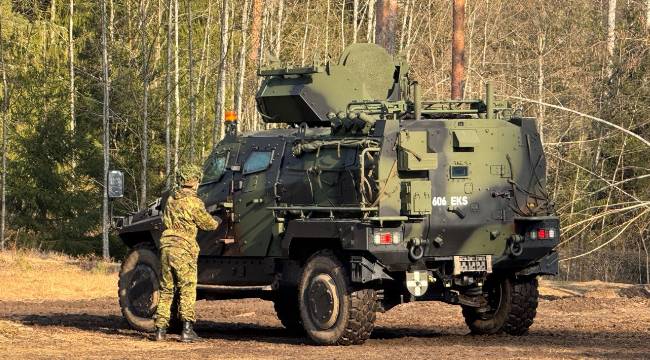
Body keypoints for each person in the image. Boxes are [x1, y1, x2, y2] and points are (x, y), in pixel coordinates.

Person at [153, 164, 220, 342]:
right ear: (194, 181)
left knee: (166, 289)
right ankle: (187, 330)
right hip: (183, 248)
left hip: (166, 246)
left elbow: (166, 220)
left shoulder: (171, 200)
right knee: (187, 288)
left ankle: (160, 330)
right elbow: (208, 224)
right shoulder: (194, 202)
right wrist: (217, 220)